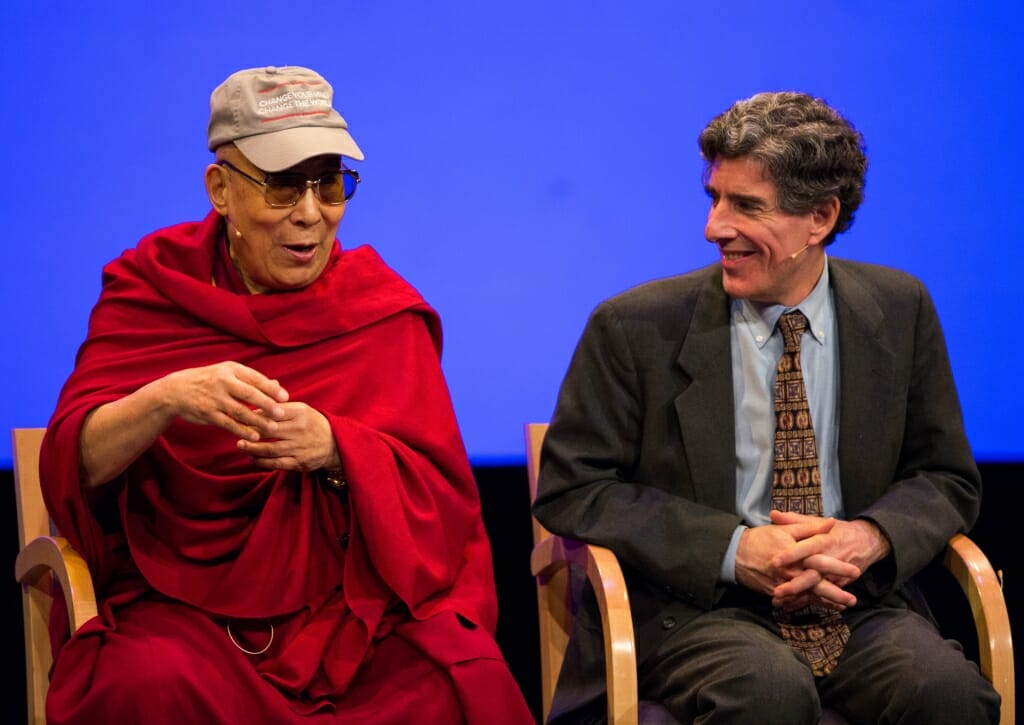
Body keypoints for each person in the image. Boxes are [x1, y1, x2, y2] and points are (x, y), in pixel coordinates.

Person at [39, 65, 534, 724]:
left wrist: (339, 448)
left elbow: (442, 508)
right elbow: (77, 464)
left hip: (349, 612)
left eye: (329, 184)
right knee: (140, 682)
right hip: (187, 612)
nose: (310, 215)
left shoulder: (380, 311)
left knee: (464, 681)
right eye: (280, 186)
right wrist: (164, 397)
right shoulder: (151, 290)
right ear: (220, 189)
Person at [532, 91, 1000, 724]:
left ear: (821, 218)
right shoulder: (635, 326)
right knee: (767, 693)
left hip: (853, 602)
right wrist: (734, 549)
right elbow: (573, 488)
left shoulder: (899, 308)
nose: (715, 227)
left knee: (949, 695)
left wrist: (869, 537)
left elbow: (944, 477)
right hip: (699, 609)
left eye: (746, 206)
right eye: (715, 199)